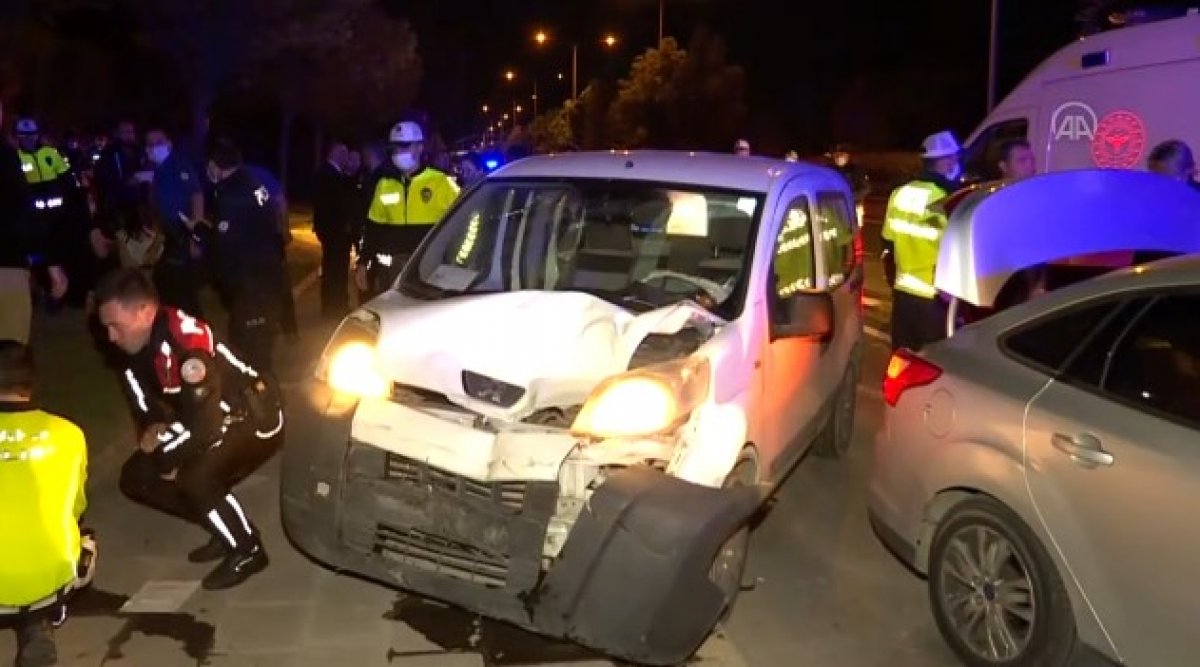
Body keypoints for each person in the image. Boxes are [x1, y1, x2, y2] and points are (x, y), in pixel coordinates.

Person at [96, 269, 281, 589]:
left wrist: (170, 458)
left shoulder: (186, 343)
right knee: (136, 477)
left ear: (143, 312)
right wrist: (152, 427)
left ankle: (248, 549)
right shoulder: (133, 348)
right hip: (209, 414)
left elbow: (204, 427)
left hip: (254, 415)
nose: (111, 336)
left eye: (115, 325)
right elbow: (142, 402)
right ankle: (221, 524)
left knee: (194, 476)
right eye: (107, 327)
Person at [0, 340, 92, 667]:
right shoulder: (69, 433)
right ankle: (37, 623)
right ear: (32, 382)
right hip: (49, 575)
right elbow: (76, 506)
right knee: (85, 535)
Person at [200, 141, 286, 375]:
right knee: (256, 344)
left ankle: (265, 402)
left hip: (250, 282)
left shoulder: (232, 194)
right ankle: (262, 396)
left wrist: (204, 235)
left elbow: (225, 243)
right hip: (265, 273)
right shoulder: (252, 182)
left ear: (215, 165)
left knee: (251, 350)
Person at [881, 130, 964, 352]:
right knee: (933, 368)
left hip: (903, 297)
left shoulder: (898, 194)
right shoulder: (948, 199)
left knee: (903, 362)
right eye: (955, 158)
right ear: (946, 161)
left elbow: (887, 243)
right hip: (936, 301)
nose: (957, 164)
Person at [355, 121, 459, 297]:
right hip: (391, 275)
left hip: (430, 273)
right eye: (394, 148)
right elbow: (374, 228)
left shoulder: (441, 183)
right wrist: (363, 262)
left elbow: (461, 225)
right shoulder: (385, 184)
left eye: (405, 146)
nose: (399, 153)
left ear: (420, 147)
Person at [0, 105, 67, 342]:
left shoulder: (49, 154)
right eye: (23, 135)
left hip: (49, 221)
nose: (28, 139)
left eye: (32, 135)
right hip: (15, 245)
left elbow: (66, 180)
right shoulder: (11, 157)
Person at [145, 127, 206, 317]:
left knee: (181, 288)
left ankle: (198, 330)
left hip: (183, 232)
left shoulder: (180, 165)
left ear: (169, 144)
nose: (155, 147)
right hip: (168, 234)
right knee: (167, 285)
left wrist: (196, 235)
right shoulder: (158, 171)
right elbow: (157, 205)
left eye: (159, 142)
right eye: (150, 144)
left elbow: (196, 196)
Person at [241, 161, 298, 342]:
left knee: (277, 282)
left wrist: (283, 228)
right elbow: (279, 202)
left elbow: (278, 201)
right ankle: (278, 327)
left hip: (266, 238)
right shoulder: (257, 174)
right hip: (260, 239)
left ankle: (285, 327)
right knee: (270, 283)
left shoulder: (254, 176)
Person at [312, 143, 356, 319]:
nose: (347, 159)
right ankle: (336, 306)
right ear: (338, 155)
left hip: (329, 230)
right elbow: (336, 205)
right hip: (335, 231)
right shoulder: (331, 175)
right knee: (336, 269)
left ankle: (332, 305)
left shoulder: (326, 172)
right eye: (345, 155)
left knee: (332, 268)